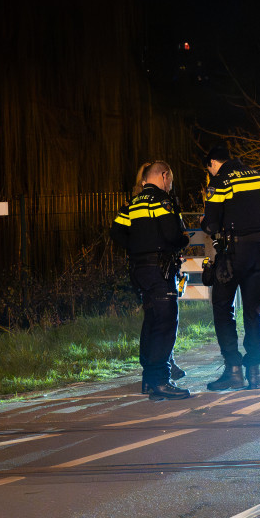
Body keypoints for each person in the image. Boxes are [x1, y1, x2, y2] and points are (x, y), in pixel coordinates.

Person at [110, 160, 192, 401]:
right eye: (171, 181)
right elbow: (171, 235)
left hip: (140, 269)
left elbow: (116, 231)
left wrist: (136, 248)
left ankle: (149, 379)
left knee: (151, 321)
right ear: (164, 176)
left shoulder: (132, 203)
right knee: (165, 324)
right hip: (160, 270)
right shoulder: (163, 201)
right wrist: (184, 240)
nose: (170, 186)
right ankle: (161, 381)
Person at [202, 144, 260, 391]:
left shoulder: (220, 182)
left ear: (212, 164)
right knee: (253, 311)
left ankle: (233, 370)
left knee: (223, 307)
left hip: (233, 254)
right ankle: (254, 373)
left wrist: (207, 222)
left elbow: (211, 225)